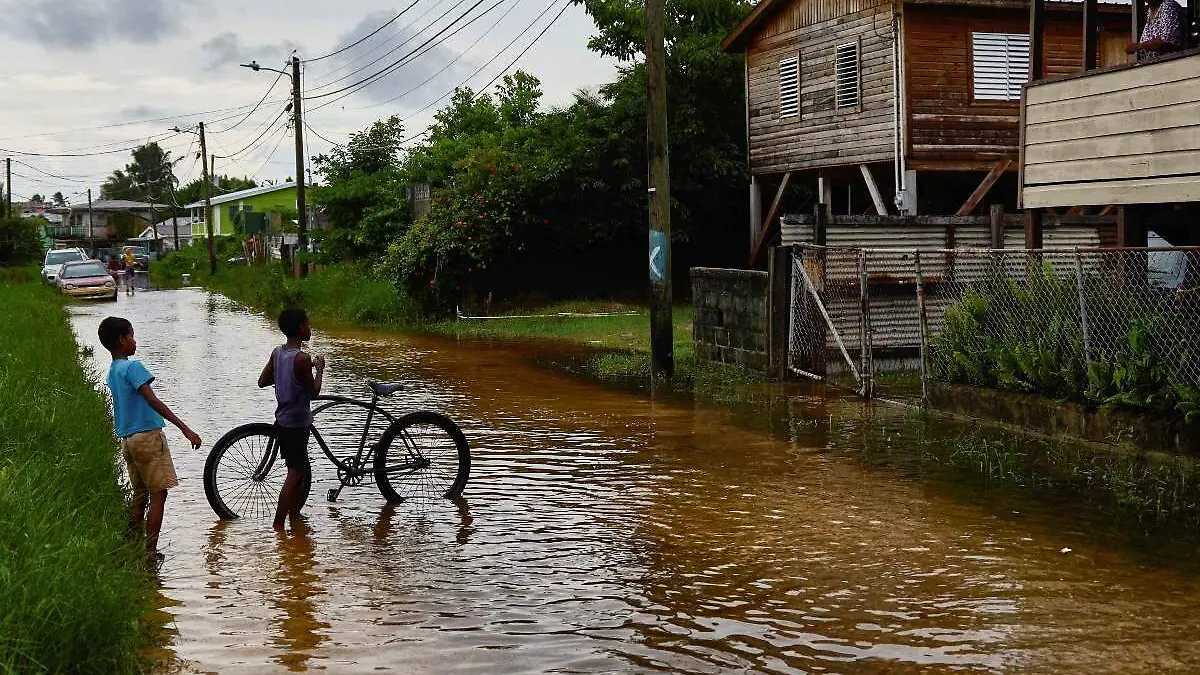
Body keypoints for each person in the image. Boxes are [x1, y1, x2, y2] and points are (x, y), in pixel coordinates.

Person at [98, 317, 202, 567]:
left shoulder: (113, 371)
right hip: (147, 438)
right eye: (131, 335)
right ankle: (150, 553)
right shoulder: (133, 367)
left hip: (128, 441)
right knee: (159, 494)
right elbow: (152, 400)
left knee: (140, 494)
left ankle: (133, 545)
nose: (134, 341)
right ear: (122, 340)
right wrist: (185, 428)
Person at [258, 308, 325, 532]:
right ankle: (279, 525)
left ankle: (295, 517)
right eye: (307, 324)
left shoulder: (278, 353)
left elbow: (262, 381)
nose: (310, 328)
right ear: (300, 329)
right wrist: (320, 369)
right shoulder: (302, 358)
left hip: (282, 420)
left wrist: (284, 376)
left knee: (298, 469)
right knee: (295, 473)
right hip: (297, 423)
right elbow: (314, 392)